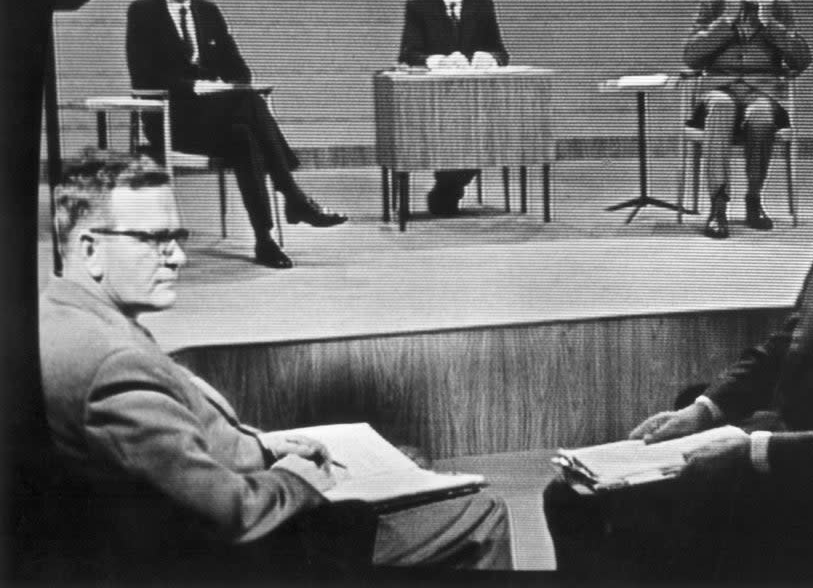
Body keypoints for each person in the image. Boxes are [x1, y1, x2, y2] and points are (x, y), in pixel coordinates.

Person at [39, 152, 512, 577]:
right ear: (88, 249)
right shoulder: (114, 365)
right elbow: (232, 514)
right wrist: (297, 480)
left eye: (176, 236)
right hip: (229, 552)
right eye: (154, 240)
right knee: (479, 511)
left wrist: (262, 447)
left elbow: (167, 446)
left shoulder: (64, 313)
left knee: (408, 462)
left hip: (190, 511)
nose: (178, 257)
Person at [544, 102, 813, 580]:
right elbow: (784, 348)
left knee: (624, 524)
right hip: (763, 448)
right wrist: (704, 409)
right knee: (568, 495)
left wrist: (753, 452)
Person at [126, 0, 346, 270]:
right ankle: (293, 196)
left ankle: (264, 240)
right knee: (248, 105)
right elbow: (143, 77)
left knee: (244, 134)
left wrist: (221, 86)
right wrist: (194, 87)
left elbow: (242, 72)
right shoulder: (142, 12)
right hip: (174, 120)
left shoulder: (209, 12)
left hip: (219, 117)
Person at [682, 0, 812, 238]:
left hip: (763, 92)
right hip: (718, 91)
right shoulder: (712, 2)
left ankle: (754, 199)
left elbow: (801, 60)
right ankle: (718, 205)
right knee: (722, 104)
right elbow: (690, 56)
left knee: (761, 116)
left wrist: (770, 22)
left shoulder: (781, 5)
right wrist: (725, 19)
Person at [398, 0, 510, 216]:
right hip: (433, 101)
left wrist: (491, 59)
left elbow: (501, 52)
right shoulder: (418, 5)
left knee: (482, 133)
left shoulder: (482, 4)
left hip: (474, 101)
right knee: (455, 131)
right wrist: (438, 61)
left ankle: (446, 190)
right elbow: (408, 54)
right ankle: (447, 190)